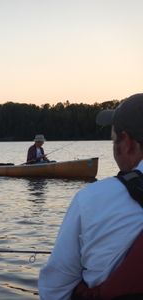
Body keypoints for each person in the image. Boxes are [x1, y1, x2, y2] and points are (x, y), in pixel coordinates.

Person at [38, 93, 143, 300]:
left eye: (114, 140)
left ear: (127, 143)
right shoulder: (34, 150)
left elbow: (54, 290)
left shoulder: (91, 199)